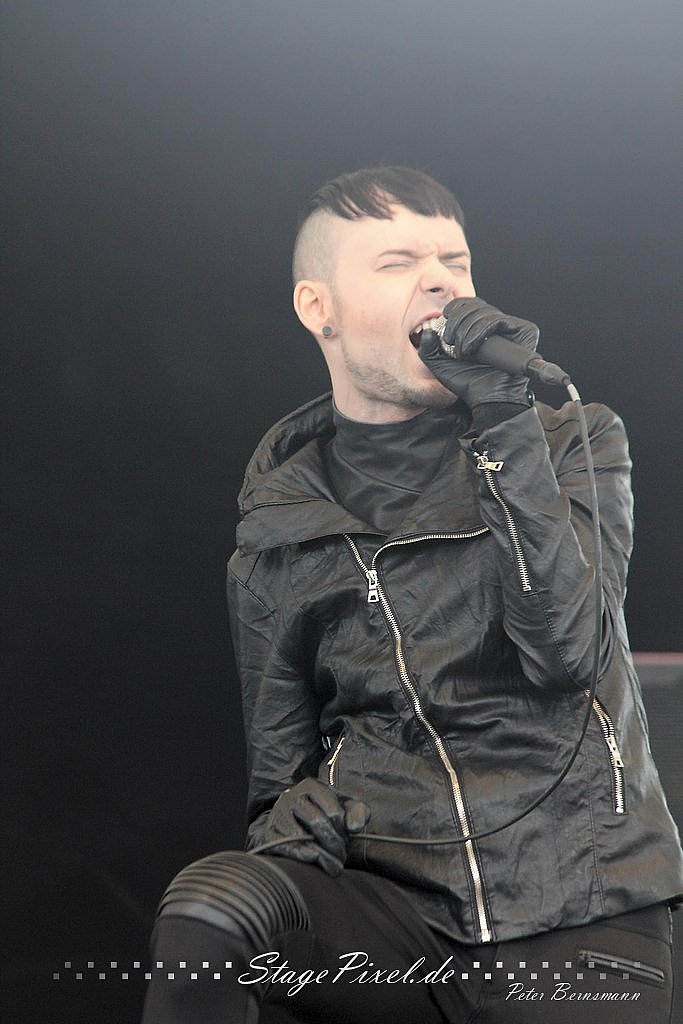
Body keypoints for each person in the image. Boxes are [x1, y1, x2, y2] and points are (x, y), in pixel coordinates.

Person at [141, 167, 683, 1023]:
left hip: (580, 907)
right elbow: (275, 775)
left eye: (453, 262)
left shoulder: (566, 439)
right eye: (396, 262)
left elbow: (565, 649)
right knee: (216, 904)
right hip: (393, 912)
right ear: (317, 307)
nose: (438, 281)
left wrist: (502, 419)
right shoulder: (278, 522)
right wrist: (293, 818)